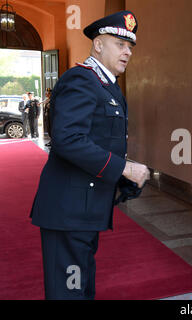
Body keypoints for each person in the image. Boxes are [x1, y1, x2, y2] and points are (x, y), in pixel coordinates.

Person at [30, 11, 150, 300]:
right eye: (120, 44)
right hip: (68, 211)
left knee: (81, 288)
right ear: (98, 45)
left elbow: (98, 142)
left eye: (130, 46)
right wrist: (124, 168)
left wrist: (123, 179)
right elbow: (67, 139)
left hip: (84, 210)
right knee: (69, 292)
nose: (128, 52)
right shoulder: (82, 80)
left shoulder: (107, 86)